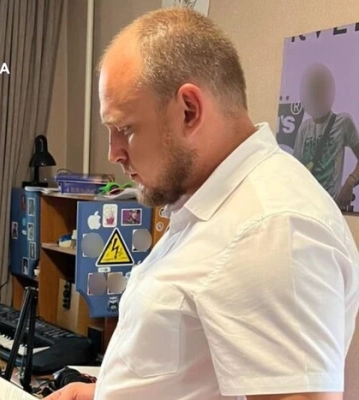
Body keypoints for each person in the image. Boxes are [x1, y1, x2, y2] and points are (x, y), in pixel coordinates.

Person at [46, 8, 359, 400]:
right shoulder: (209, 204)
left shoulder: (271, 230)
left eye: (124, 129)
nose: (114, 153)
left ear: (189, 111)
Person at [292, 63, 359, 209]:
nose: (316, 93)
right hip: (306, 206)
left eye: (320, 88)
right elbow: (296, 170)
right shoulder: (304, 128)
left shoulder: (343, 122)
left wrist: (350, 181)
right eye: (312, 89)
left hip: (330, 208)